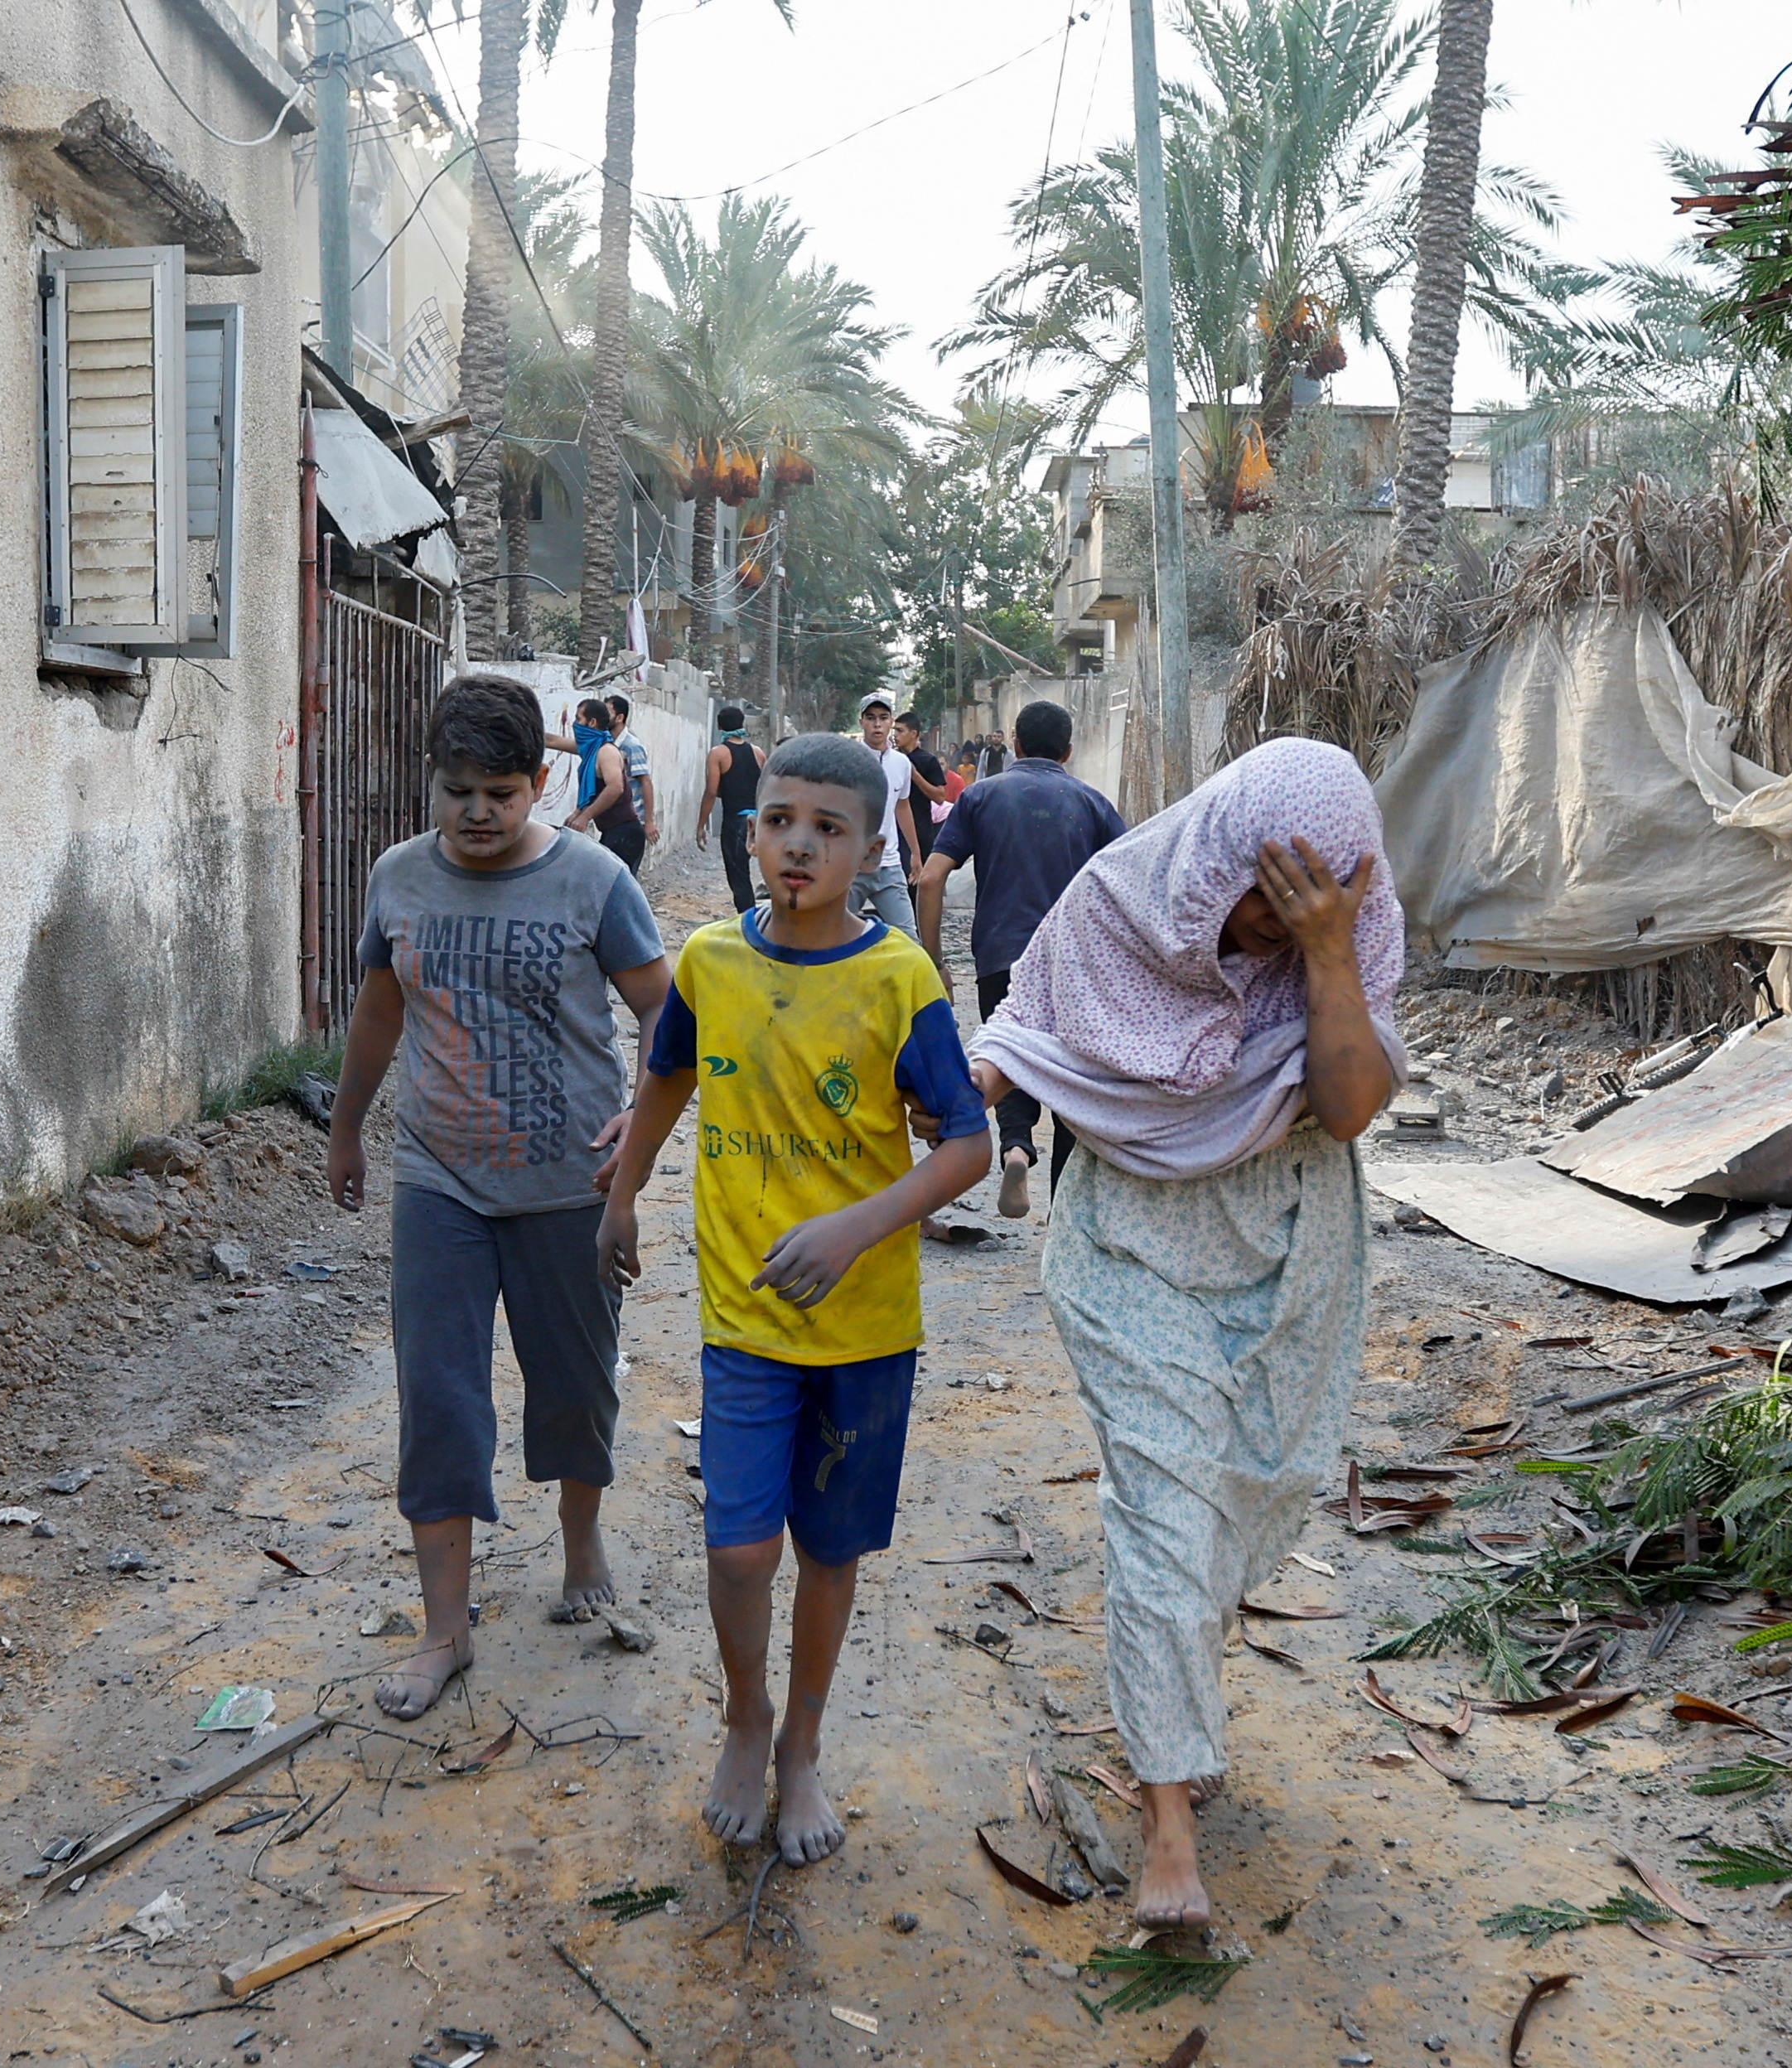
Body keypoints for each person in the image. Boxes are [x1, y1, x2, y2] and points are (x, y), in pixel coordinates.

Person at [967, 738, 1403, 1930]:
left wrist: (1325, 949)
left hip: (1291, 1238)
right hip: (1131, 1240)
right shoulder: (1121, 898)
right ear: (1219, 855)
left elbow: (1353, 1103)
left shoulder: (1340, 942)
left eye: (1311, 899)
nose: (1271, 919)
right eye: (1265, 891)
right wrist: (957, 1096)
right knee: (1165, 1511)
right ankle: (1167, 1819)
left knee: (1256, 1491)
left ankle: (1179, 1704)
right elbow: (1027, 1023)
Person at [601, 732, 992, 1864]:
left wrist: (856, 1225)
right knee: (738, 1553)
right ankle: (745, 1717)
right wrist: (622, 1196)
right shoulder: (713, 961)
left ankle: (804, 1745)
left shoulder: (898, 977)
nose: (799, 845)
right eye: (780, 821)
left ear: (874, 847)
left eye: (828, 828)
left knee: (829, 1550)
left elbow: (964, 1145)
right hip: (744, 1317)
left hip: (867, 1329)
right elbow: (668, 1073)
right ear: (751, 830)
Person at [326, 673, 675, 1721]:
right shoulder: (399, 880)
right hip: (438, 1181)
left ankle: (581, 1545)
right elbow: (379, 1016)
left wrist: (640, 1129)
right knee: (437, 1399)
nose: (477, 812)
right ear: (433, 786)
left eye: (501, 792)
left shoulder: (595, 881)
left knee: (573, 1385)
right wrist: (347, 1129)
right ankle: (447, 1631)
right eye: (457, 790)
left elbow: (666, 1014)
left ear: (538, 784)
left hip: (569, 1185)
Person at [913, 700, 1126, 1220]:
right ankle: (1064, 1218)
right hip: (1073, 964)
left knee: (1008, 1058)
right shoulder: (1093, 803)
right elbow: (1128, 880)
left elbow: (934, 877)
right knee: (1070, 1083)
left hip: (1000, 954)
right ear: (1069, 751)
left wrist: (934, 960)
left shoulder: (982, 796)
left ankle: (1015, 1148)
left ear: (1014, 743)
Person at [851, 693, 920, 930]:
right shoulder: (848, 761)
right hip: (851, 866)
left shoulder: (901, 763)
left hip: (889, 865)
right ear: (861, 722)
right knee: (829, 939)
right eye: (870, 718)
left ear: (891, 722)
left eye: (883, 717)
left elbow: (902, 806)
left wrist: (915, 853)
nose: (877, 724)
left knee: (909, 939)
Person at [563, 695, 647, 876]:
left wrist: (585, 817)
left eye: (579, 719)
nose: (575, 724)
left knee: (615, 893)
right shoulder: (592, 749)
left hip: (625, 833)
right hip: (614, 832)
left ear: (592, 722)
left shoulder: (606, 752)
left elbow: (615, 788)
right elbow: (554, 742)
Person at [693, 703, 763, 914]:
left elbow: (712, 792)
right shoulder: (758, 752)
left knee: (739, 877)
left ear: (719, 727)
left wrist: (701, 825)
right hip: (759, 820)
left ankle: (747, 922)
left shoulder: (718, 753)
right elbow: (767, 787)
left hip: (736, 822)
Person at [893, 714, 950, 862]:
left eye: (900, 731)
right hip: (894, 830)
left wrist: (915, 775)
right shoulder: (891, 759)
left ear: (913, 734)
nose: (895, 735)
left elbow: (940, 797)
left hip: (920, 830)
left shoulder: (928, 761)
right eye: (894, 731)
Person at [606, 693, 658, 848]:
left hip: (630, 820)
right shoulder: (608, 743)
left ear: (619, 718)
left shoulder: (631, 746)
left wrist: (649, 821)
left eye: (607, 712)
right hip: (614, 819)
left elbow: (646, 782)